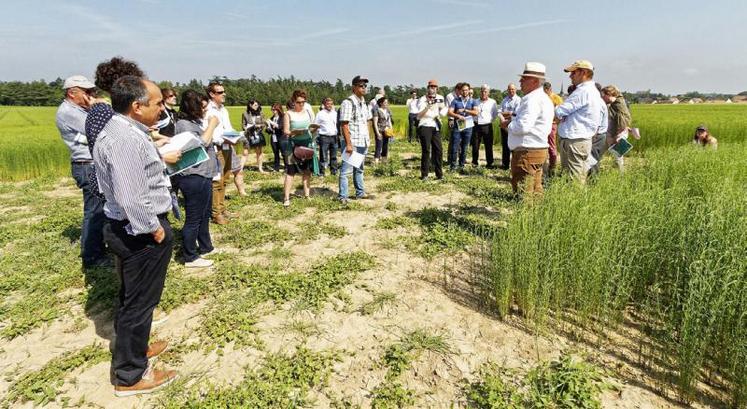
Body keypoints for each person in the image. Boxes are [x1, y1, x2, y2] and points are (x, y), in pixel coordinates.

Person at [93, 76, 177, 396]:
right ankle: (130, 376)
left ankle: (136, 350)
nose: (162, 108)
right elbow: (130, 196)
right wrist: (153, 229)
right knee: (139, 304)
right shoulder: (127, 140)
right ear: (137, 106)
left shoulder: (121, 130)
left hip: (129, 229)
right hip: (140, 233)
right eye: (157, 103)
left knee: (133, 299)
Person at [55, 75, 109, 269]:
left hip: (91, 163)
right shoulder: (69, 112)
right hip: (86, 165)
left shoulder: (78, 109)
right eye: (86, 92)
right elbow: (99, 127)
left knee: (101, 209)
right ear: (72, 93)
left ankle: (100, 248)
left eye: (92, 92)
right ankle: (92, 257)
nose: (90, 95)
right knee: (94, 211)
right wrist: (98, 106)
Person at [172, 90, 219, 268]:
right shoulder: (184, 124)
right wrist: (212, 124)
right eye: (203, 106)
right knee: (193, 218)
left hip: (204, 174)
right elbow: (202, 142)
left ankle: (206, 247)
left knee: (204, 214)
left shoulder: (193, 122)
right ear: (193, 106)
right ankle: (190, 256)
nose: (205, 110)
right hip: (193, 176)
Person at [502, 62, 554, 196]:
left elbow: (523, 126)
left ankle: (525, 216)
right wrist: (514, 117)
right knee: (535, 192)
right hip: (537, 150)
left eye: (524, 78)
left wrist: (507, 124)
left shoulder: (532, 99)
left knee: (523, 193)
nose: (520, 81)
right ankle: (536, 217)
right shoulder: (544, 98)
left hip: (527, 153)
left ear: (535, 81)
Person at [555, 60, 605, 185]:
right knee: (573, 177)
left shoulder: (583, 91)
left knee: (574, 180)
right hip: (576, 139)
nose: (570, 76)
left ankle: (575, 203)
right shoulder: (589, 91)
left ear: (584, 72)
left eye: (573, 73)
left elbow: (561, 110)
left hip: (575, 140)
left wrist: (558, 111)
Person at [205, 81, 240, 224]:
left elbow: (228, 128)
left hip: (227, 146)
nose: (223, 94)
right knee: (217, 181)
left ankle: (222, 208)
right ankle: (216, 214)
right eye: (220, 92)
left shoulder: (223, 110)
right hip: (216, 148)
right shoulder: (208, 110)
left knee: (225, 179)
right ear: (212, 94)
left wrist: (236, 136)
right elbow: (208, 132)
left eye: (223, 91)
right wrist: (222, 140)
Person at [338, 76, 373, 204]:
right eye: (361, 85)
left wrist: (368, 137)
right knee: (346, 170)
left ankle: (360, 192)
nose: (364, 88)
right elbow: (344, 124)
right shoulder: (348, 102)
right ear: (354, 87)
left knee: (359, 169)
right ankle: (343, 196)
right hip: (353, 142)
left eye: (365, 86)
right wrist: (348, 144)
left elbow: (367, 121)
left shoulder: (364, 102)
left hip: (363, 141)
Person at [282, 90, 316, 206]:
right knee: (290, 172)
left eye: (303, 102)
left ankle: (307, 195)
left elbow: (311, 127)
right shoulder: (288, 114)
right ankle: (286, 198)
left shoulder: (308, 112)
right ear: (293, 101)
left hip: (306, 144)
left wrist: (314, 129)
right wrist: (294, 132)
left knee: (307, 171)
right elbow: (286, 131)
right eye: (299, 102)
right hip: (292, 145)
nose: (301, 104)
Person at [416, 79, 448, 181]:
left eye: (434, 87)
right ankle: (424, 174)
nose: (432, 89)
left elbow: (443, 109)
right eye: (431, 87)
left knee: (439, 150)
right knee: (426, 150)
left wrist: (444, 109)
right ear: (428, 88)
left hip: (435, 126)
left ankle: (439, 174)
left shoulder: (440, 98)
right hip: (425, 125)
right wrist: (427, 107)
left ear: (437, 89)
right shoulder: (422, 99)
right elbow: (418, 116)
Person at [448, 82, 479, 171]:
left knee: (465, 147)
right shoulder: (455, 100)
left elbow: (476, 112)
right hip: (457, 126)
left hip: (468, 127)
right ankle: (453, 166)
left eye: (466, 90)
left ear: (469, 91)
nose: (465, 92)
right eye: (463, 90)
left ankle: (461, 165)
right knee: (455, 146)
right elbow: (449, 112)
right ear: (460, 91)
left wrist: (465, 110)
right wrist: (457, 115)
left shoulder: (473, 101)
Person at [601, 85, 632, 171]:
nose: (603, 97)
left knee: (618, 157)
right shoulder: (614, 104)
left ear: (610, 94)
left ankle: (620, 176)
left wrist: (616, 136)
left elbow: (623, 122)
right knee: (616, 157)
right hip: (610, 134)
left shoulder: (619, 105)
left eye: (604, 95)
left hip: (617, 134)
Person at [472, 84, 498, 168]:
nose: (483, 93)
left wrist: (489, 120)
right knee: (475, 145)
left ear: (488, 93)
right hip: (476, 125)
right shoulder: (475, 101)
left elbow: (494, 114)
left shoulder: (493, 102)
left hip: (487, 125)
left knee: (488, 145)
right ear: (480, 92)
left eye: (485, 91)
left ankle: (489, 163)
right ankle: (474, 162)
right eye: (482, 91)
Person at [588, 83, 609, 177]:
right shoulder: (599, 102)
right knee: (593, 159)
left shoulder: (598, 104)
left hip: (597, 136)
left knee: (593, 160)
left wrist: (591, 139)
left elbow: (596, 125)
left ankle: (593, 181)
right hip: (598, 135)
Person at [499, 83, 521, 169]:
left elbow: (516, 114)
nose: (511, 91)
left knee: (514, 146)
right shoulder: (504, 100)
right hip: (504, 126)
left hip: (513, 125)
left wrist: (508, 114)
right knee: (505, 145)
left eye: (512, 89)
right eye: (509, 89)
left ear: (515, 90)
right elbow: (500, 112)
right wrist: (504, 119)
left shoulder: (518, 100)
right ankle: (505, 165)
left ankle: (514, 165)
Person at [314, 97, 339, 176]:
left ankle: (334, 172)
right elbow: (315, 125)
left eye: (331, 104)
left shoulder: (335, 113)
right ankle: (322, 172)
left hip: (334, 137)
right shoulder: (320, 114)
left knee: (334, 156)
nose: (329, 105)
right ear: (324, 104)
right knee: (323, 156)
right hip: (324, 137)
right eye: (328, 104)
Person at [543, 82, 563, 176]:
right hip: (543, 124)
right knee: (543, 145)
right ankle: (544, 165)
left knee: (551, 145)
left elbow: (561, 112)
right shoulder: (543, 98)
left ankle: (552, 166)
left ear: (549, 89)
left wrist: (555, 122)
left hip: (552, 124)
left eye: (546, 90)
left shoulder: (556, 98)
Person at [241, 99, 267, 173]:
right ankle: (240, 169)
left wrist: (259, 126)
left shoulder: (261, 113)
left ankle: (260, 168)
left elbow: (264, 124)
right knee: (245, 152)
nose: (257, 106)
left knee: (259, 152)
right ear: (250, 105)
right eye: (255, 105)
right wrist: (247, 128)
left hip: (258, 135)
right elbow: (243, 125)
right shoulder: (245, 113)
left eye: (257, 105)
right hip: (248, 135)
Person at [372, 96, 393, 164]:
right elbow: (375, 123)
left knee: (385, 146)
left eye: (387, 102)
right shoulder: (377, 111)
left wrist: (391, 129)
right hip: (380, 130)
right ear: (381, 103)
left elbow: (389, 121)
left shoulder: (387, 111)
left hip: (386, 130)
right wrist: (377, 133)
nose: (387, 104)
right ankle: (376, 161)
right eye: (385, 102)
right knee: (379, 145)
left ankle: (384, 160)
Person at [266, 103, 286, 172]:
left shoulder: (282, 117)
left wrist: (271, 123)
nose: (273, 111)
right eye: (272, 109)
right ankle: (276, 167)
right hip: (273, 137)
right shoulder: (272, 118)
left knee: (284, 153)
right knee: (275, 153)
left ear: (278, 109)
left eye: (274, 109)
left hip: (281, 137)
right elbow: (269, 131)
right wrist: (268, 126)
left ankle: (287, 167)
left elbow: (280, 127)